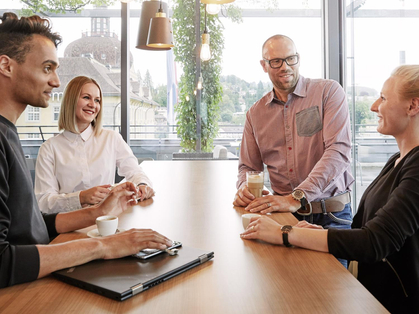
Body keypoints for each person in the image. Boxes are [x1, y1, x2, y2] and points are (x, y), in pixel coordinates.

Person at [0, 12, 172, 288]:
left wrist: (99, 212)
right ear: (6, 66)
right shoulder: (34, 144)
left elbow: (32, 226)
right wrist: (103, 247)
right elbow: (3, 261)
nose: (56, 81)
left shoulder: (9, 133)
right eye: (47, 68)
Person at [241, 64, 419, 313]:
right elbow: (363, 230)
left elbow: (375, 241)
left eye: (384, 97)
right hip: (373, 297)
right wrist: (312, 231)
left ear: (413, 106)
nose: (374, 106)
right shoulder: (396, 161)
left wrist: (285, 231)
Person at [233, 35, 354, 265]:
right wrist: (243, 188)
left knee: (335, 294)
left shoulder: (328, 92)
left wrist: (296, 197)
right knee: (283, 287)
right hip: (282, 217)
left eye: (291, 59)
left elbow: (338, 151)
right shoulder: (255, 114)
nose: (285, 67)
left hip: (332, 216)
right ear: (264, 65)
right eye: (276, 61)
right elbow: (248, 167)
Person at [35, 76, 154, 214]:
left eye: (97, 100)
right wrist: (81, 197)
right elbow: (43, 202)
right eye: (86, 97)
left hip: (108, 221)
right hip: (70, 226)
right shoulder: (49, 148)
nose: (93, 105)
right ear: (71, 100)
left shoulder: (112, 138)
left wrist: (142, 185)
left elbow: (135, 172)